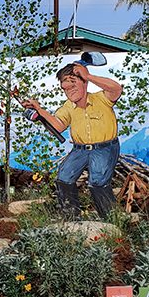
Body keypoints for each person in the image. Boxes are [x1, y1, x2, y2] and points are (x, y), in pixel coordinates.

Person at [21, 61, 123, 219]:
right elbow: (58, 126)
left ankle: (111, 219)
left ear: (84, 82)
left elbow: (116, 88)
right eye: (66, 89)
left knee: (98, 182)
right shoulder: (68, 107)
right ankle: (71, 217)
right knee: (64, 177)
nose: (70, 91)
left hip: (104, 149)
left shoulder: (102, 98)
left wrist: (88, 75)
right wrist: (39, 111)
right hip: (80, 150)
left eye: (73, 85)